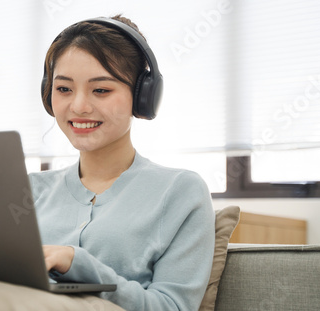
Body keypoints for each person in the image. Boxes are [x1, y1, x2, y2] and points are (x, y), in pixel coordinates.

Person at [29, 14, 215, 311]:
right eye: (64, 89)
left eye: (101, 90)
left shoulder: (180, 191)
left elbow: (172, 307)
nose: (79, 106)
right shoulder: (26, 190)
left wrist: (77, 263)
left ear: (143, 97)